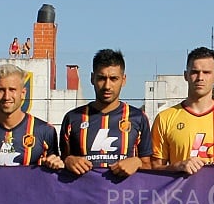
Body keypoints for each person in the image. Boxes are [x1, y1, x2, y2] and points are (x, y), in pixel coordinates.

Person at [60, 49, 152, 178]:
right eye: (101, 78)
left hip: (123, 191)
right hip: (83, 190)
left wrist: (137, 162)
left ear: (123, 80)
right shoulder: (73, 118)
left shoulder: (138, 118)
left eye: (114, 79)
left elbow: (149, 167)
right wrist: (67, 161)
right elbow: (59, 163)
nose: (107, 86)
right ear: (92, 78)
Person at [151, 47, 214, 174]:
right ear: (186, 75)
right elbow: (153, 170)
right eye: (195, 72)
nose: (200, 77)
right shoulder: (164, 118)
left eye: (206, 72)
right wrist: (177, 166)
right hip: (182, 187)